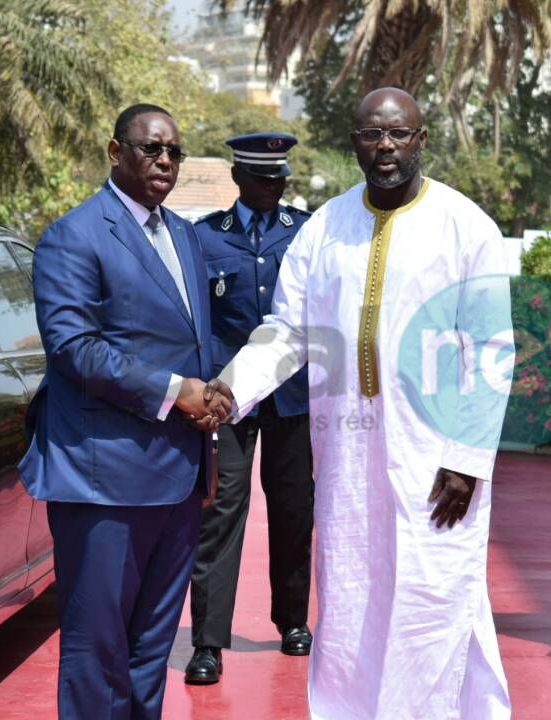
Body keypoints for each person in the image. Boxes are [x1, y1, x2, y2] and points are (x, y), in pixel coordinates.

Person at [203, 87, 515, 719]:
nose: (386, 147)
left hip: (434, 460)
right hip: (346, 457)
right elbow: (289, 330)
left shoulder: (466, 226)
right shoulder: (324, 228)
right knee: (350, 597)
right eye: (373, 135)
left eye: (399, 134)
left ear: (422, 140)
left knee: (435, 594)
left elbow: (490, 350)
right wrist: (229, 389)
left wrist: (465, 458)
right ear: (355, 143)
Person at [17, 103, 229, 720]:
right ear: (115, 152)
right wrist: (175, 391)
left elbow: (194, 342)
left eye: (174, 153)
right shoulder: (74, 236)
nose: (164, 161)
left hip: (179, 478)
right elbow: (74, 348)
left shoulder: (186, 236)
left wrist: (218, 390)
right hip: (104, 483)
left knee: (151, 650)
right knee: (96, 652)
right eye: (149, 149)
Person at [184, 132, 315, 686]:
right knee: (220, 514)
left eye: (280, 177)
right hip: (226, 399)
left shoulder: (305, 234)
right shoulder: (204, 237)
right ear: (239, 179)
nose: (273, 186)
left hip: (290, 396)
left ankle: (292, 621)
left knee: (293, 509)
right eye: (262, 178)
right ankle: (209, 642)